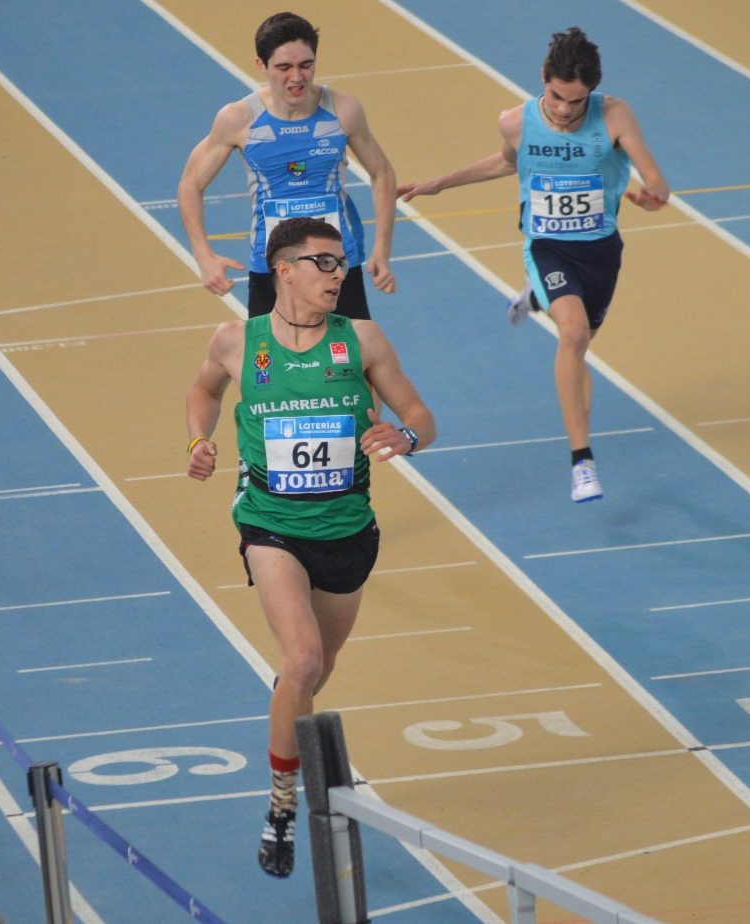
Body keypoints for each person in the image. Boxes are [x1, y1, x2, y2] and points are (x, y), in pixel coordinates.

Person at [185, 217, 435, 878]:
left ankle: (288, 707)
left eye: (341, 263)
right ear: (284, 268)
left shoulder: (364, 341)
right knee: (301, 660)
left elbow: (420, 416)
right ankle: (280, 810)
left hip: (347, 530)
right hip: (270, 523)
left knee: (313, 674)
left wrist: (403, 440)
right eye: (324, 263)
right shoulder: (238, 340)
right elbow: (204, 389)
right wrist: (199, 439)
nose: (338, 276)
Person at [398, 27, 669, 503]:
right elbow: (506, 163)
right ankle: (582, 462)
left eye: (577, 101)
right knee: (574, 334)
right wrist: (440, 183)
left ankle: (534, 295)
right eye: (557, 97)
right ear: (544, 78)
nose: (565, 110)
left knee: (580, 347)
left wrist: (652, 196)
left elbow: (657, 181)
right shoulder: (516, 121)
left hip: (601, 251)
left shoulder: (615, 115)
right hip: (547, 245)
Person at [178, 11, 398, 319]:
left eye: (306, 65)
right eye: (284, 67)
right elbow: (191, 184)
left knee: (351, 365)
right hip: (272, 269)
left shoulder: (343, 111)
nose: (297, 78)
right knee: (268, 368)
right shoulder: (239, 119)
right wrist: (204, 257)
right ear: (261, 65)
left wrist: (382, 251)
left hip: (337, 266)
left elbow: (382, 173)